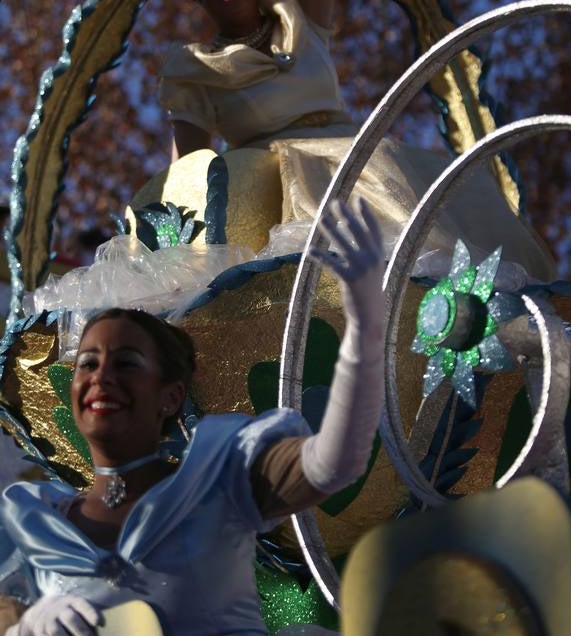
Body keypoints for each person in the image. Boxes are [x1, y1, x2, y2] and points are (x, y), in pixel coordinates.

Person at [0, 200, 384, 636]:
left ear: (170, 396)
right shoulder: (34, 523)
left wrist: (365, 331)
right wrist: (25, 626)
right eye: (87, 363)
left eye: (126, 363)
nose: (101, 377)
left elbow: (336, 463)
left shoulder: (216, 477)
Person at [159, 0, 555, 283]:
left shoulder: (300, 15)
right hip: (271, 197)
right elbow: (187, 172)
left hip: (360, 162)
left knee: (427, 238)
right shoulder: (193, 70)